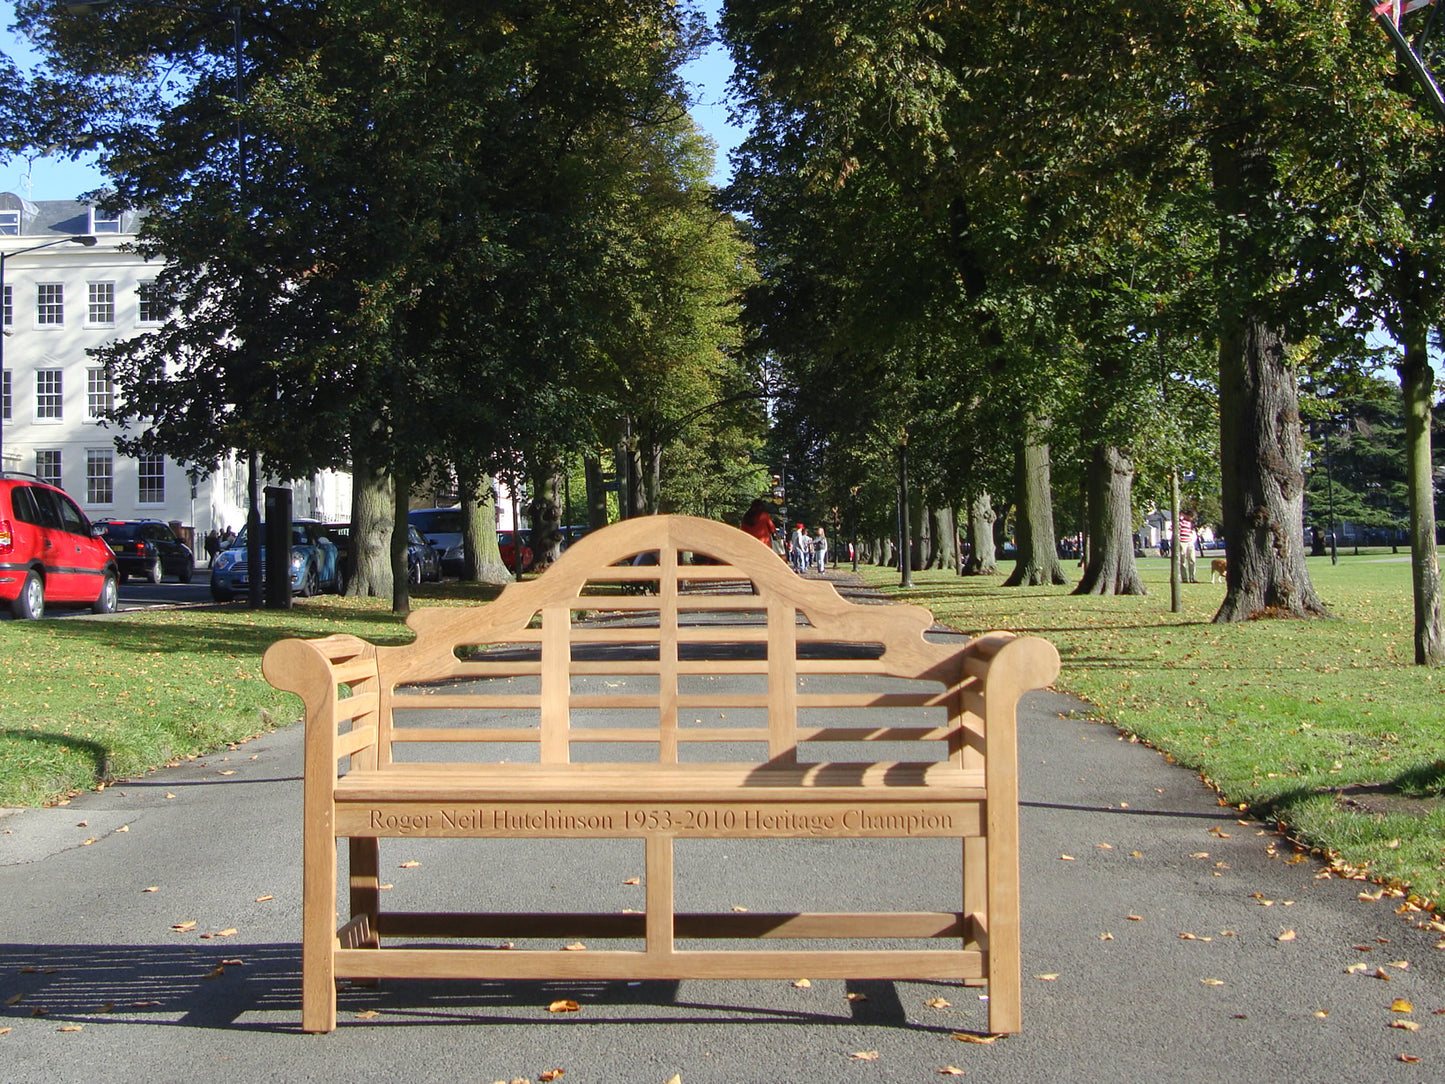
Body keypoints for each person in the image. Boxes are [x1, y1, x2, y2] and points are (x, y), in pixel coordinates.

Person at [1178, 512, 1198, 583]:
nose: (1192, 519)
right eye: (1191, 517)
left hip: (1189, 542)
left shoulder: (1190, 524)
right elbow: (1176, 530)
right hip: (1182, 542)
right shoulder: (1181, 521)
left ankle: (1192, 577)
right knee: (1182, 560)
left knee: (1192, 560)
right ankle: (1184, 578)